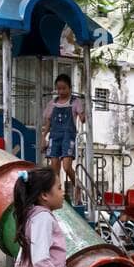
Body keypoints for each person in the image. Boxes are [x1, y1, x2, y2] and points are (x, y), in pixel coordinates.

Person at [41, 73, 86, 205]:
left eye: (64, 88)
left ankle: (77, 187)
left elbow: (83, 119)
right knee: (54, 169)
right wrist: (43, 138)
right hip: (54, 137)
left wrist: (85, 111)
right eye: (59, 89)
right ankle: (58, 194)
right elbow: (48, 123)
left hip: (68, 137)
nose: (61, 91)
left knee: (66, 167)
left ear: (70, 88)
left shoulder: (75, 102)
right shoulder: (52, 103)